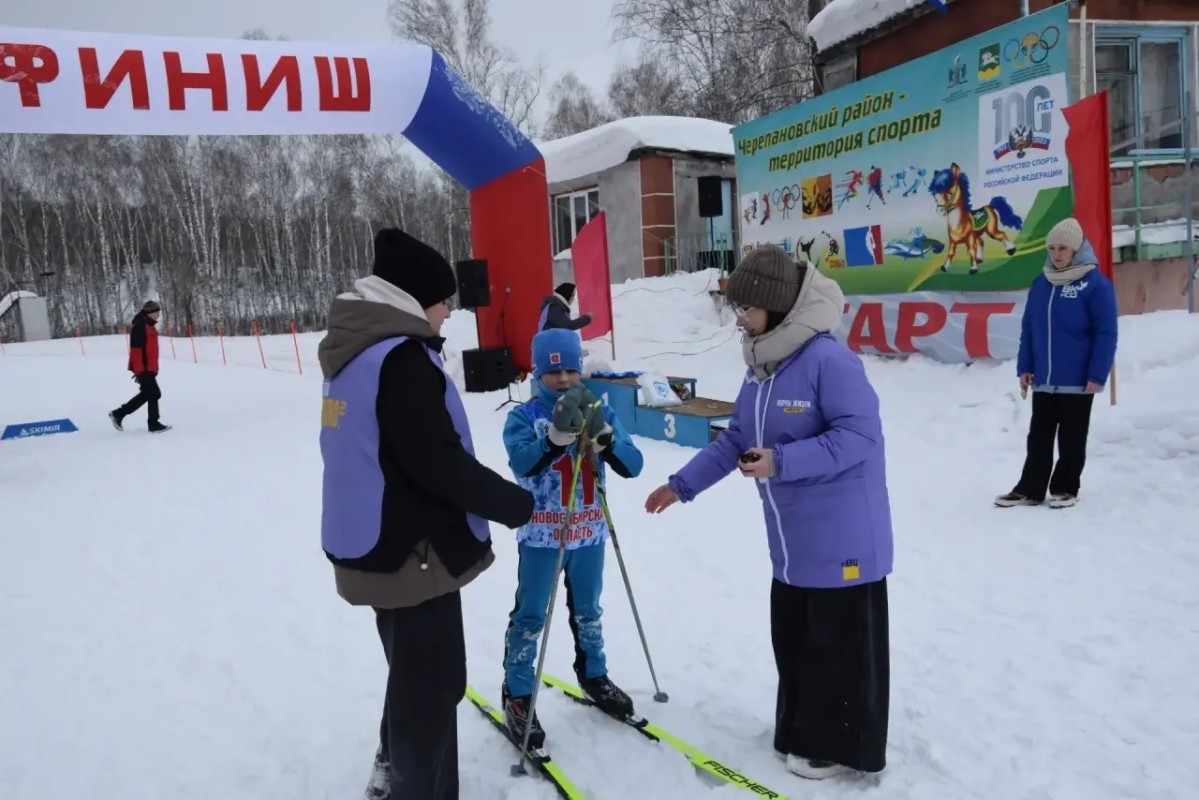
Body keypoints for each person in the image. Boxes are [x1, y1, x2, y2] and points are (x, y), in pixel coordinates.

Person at [644, 245, 893, 781]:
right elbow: (736, 436)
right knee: (797, 642)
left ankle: (835, 746)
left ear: (777, 307)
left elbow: (860, 438)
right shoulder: (763, 367)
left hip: (843, 541)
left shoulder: (828, 360)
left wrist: (782, 461)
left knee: (836, 648)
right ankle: (801, 731)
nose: (739, 319)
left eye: (747, 309)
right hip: (794, 545)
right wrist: (681, 485)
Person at [318, 228, 535, 800]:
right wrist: (513, 503)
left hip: (377, 544)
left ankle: (391, 769)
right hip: (410, 554)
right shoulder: (400, 360)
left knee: (413, 676)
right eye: (443, 301)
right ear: (415, 299)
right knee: (433, 686)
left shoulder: (358, 351)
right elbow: (438, 463)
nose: (447, 313)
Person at [499, 327, 644, 748]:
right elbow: (521, 463)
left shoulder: (599, 409)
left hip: (589, 531)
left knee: (589, 610)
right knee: (531, 615)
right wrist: (551, 441)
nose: (563, 379)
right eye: (553, 372)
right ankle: (518, 692)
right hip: (543, 534)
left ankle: (594, 674)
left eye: (570, 371)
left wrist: (608, 441)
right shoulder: (523, 416)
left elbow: (634, 465)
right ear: (538, 372)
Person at [996, 217, 1118, 509]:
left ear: (1076, 249)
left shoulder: (1095, 285)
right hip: (1044, 379)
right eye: (1052, 248)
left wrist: (1097, 374)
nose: (1056, 254)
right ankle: (1030, 489)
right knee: (1038, 436)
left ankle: (1065, 488)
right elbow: (1029, 329)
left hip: (1078, 379)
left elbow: (1106, 333)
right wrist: (1025, 367)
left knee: (1072, 437)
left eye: (1063, 248)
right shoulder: (1042, 283)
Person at [109, 300, 171, 433]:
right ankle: (149, 423)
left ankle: (120, 414)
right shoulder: (140, 326)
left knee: (149, 394)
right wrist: (140, 371)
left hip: (149, 369)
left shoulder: (149, 325)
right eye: (157, 312)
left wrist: (154, 369)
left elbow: (151, 350)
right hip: (143, 369)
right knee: (153, 393)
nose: (159, 315)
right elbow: (136, 351)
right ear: (150, 312)